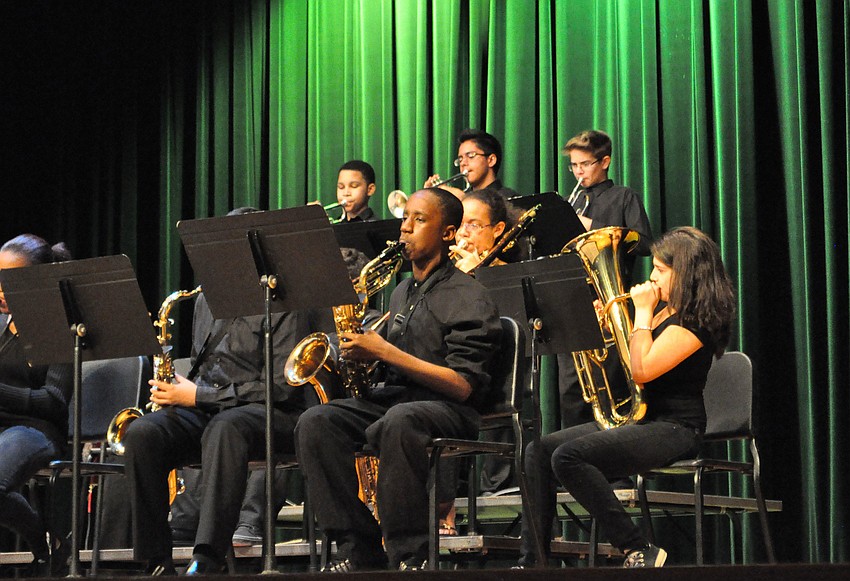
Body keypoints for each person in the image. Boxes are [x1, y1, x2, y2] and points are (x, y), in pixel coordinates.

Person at [294, 187, 502, 572]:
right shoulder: (403, 290)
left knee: (401, 420)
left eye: (418, 220)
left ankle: (411, 554)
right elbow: (392, 365)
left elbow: (463, 385)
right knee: (316, 422)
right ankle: (360, 547)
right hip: (397, 399)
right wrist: (363, 360)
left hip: (450, 407)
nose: (404, 228)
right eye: (405, 218)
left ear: (448, 232)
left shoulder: (471, 296)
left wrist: (385, 351)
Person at [519, 226, 735, 569]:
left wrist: (642, 315)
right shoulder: (661, 313)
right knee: (538, 451)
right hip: (643, 419)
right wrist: (605, 328)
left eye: (661, 271)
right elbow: (625, 364)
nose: (652, 277)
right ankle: (535, 562)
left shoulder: (695, 324)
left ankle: (637, 548)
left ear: (687, 274)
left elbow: (643, 370)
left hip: (675, 427)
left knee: (568, 457)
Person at [122, 208, 312, 575]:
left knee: (227, 426)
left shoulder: (287, 300)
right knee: (144, 432)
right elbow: (203, 367)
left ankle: (207, 556)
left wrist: (199, 397)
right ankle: (155, 558)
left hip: (272, 415)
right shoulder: (206, 300)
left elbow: (281, 387)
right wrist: (180, 392)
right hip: (213, 413)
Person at [558, 129, 653, 432]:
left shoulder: (623, 196)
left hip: (611, 301)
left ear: (605, 162)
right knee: (572, 391)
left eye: (585, 164)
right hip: (574, 301)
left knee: (614, 383)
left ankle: (617, 470)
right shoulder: (568, 204)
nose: (578, 172)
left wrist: (592, 226)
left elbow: (646, 244)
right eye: (574, 165)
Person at [0, 234, 73, 576]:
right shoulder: (1, 325)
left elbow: (54, 401)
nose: (1, 288)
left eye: (9, 280)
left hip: (36, 429)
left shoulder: (59, 327)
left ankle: (40, 540)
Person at [425, 129, 520, 200]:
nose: (463, 163)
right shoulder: (462, 197)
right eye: (460, 159)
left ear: (491, 160)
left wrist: (463, 199)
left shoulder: (509, 198)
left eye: (471, 155)